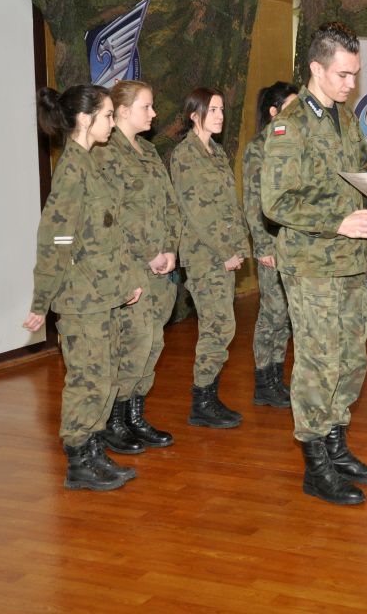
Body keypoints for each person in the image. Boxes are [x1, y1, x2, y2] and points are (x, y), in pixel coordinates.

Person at [261, 21, 367, 505]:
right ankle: (315, 464)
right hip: (312, 265)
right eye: (342, 75)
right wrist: (338, 222)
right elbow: (275, 202)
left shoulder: (347, 119)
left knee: (351, 357)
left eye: (355, 74)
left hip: (351, 261)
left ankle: (337, 446)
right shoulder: (289, 125)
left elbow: (360, 175)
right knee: (319, 362)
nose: (351, 83)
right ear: (316, 68)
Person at [24, 84, 145, 491]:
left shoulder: (90, 163)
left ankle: (93, 449)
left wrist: (125, 280)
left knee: (104, 375)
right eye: (107, 115)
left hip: (103, 292)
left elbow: (107, 234)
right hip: (81, 298)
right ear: (84, 118)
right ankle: (78, 460)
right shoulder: (72, 171)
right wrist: (41, 301)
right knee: (87, 380)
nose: (111, 122)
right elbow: (55, 240)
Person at [93, 80, 180, 454]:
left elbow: (170, 204)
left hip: (160, 268)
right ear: (124, 111)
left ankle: (135, 416)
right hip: (129, 267)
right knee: (133, 343)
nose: (154, 113)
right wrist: (149, 252)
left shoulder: (149, 151)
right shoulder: (104, 154)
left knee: (153, 343)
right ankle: (114, 421)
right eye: (147, 106)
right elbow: (112, 215)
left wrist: (170, 248)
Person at [170, 87, 251, 429]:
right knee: (217, 327)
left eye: (221, 109)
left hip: (222, 254)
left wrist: (240, 248)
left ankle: (208, 396)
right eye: (213, 110)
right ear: (195, 115)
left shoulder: (215, 152)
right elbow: (198, 214)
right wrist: (225, 252)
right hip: (205, 256)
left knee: (222, 326)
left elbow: (229, 207)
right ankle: (202, 402)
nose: (220, 116)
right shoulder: (185, 155)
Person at [242, 82, 299, 409]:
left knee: (286, 314)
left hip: (293, 242)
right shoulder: (258, 147)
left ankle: (277, 377)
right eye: (291, 106)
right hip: (271, 242)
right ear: (274, 112)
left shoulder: (292, 143)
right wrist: (262, 245)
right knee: (273, 313)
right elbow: (253, 201)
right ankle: (264, 381)